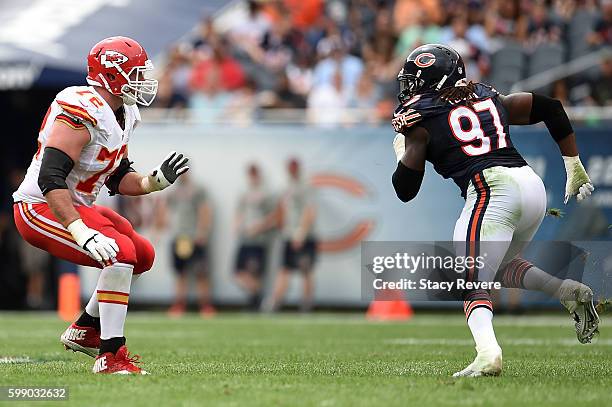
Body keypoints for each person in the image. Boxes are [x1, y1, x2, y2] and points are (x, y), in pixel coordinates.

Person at [391, 44, 598, 377]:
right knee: (499, 267)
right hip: (531, 186)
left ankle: (488, 354)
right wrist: (572, 162)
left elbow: (404, 190)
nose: (410, 88)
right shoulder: (486, 95)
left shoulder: (420, 115)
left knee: (470, 277)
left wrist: (405, 148)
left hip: (491, 189)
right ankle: (565, 291)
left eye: (416, 80)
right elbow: (550, 107)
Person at [12, 36, 190, 375]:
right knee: (119, 251)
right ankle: (110, 355)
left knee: (142, 253)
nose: (142, 81)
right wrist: (82, 233)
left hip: (76, 206)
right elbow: (51, 178)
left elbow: (117, 175)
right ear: (113, 74)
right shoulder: (81, 107)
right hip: (39, 207)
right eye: (135, 73)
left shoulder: (124, 113)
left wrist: (154, 181)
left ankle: (84, 329)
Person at [263, 158, 317, 312]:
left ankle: (306, 305)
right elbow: (282, 210)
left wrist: (301, 232)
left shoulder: (306, 186)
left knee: (305, 270)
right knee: (284, 269)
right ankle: (275, 303)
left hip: (303, 235)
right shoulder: (286, 187)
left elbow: (310, 210)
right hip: (288, 234)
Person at [158, 172, 214, 317]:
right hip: (179, 238)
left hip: (194, 237)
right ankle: (179, 304)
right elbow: (163, 209)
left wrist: (202, 232)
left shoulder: (198, 189)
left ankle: (206, 306)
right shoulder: (173, 191)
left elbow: (205, 210)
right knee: (180, 272)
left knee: (201, 272)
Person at [234, 164, 276, 310]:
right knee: (238, 273)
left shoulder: (267, 193)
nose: (252, 177)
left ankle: (255, 303)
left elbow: (275, 216)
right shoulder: (244, 192)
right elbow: (239, 212)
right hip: (244, 239)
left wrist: (259, 227)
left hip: (259, 240)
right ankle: (257, 298)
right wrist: (237, 225)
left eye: (255, 173)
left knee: (255, 272)